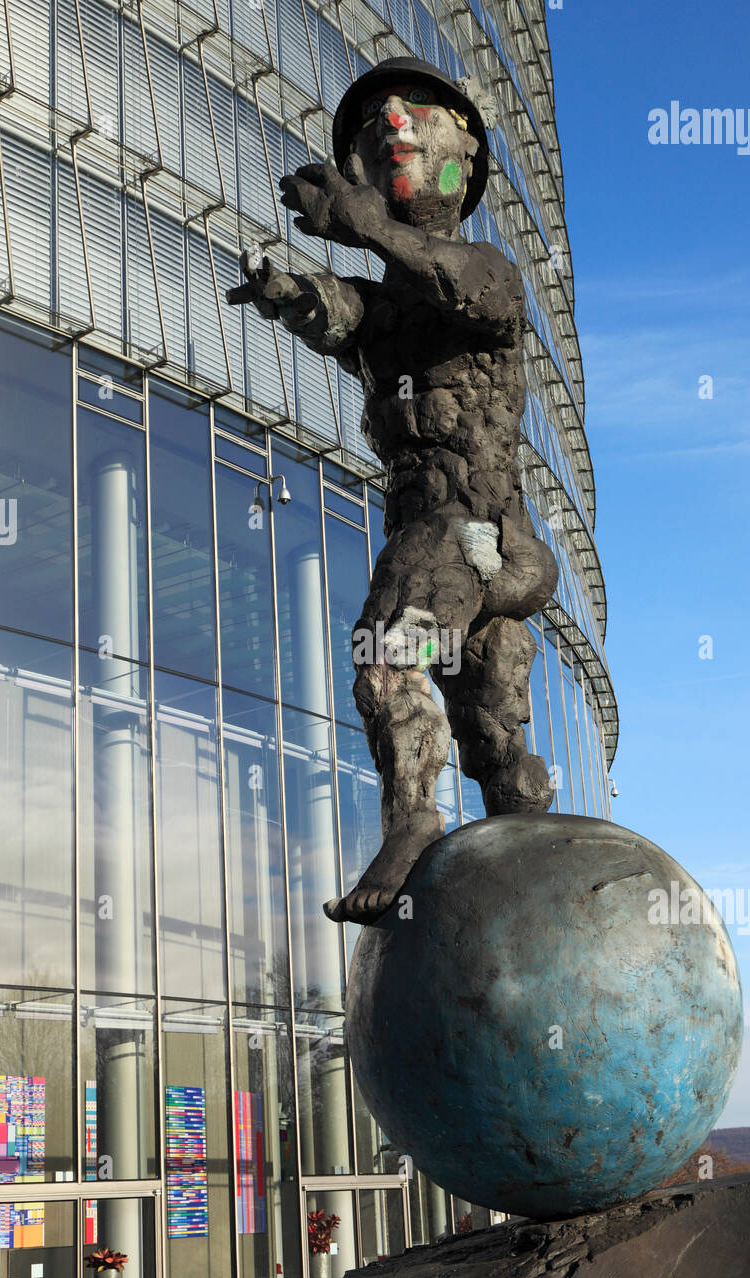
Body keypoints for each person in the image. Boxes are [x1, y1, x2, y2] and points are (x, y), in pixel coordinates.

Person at [226, 58, 558, 923]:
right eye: (376, 124)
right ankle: (536, 881)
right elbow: (345, 311)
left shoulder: (486, 269)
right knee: (495, 744)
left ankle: (412, 819)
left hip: (461, 529)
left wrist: (367, 223)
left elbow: (451, 285)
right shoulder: (387, 303)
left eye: (417, 114)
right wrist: (287, 292)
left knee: (386, 654)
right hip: (469, 550)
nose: (393, 126)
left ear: (466, 154)